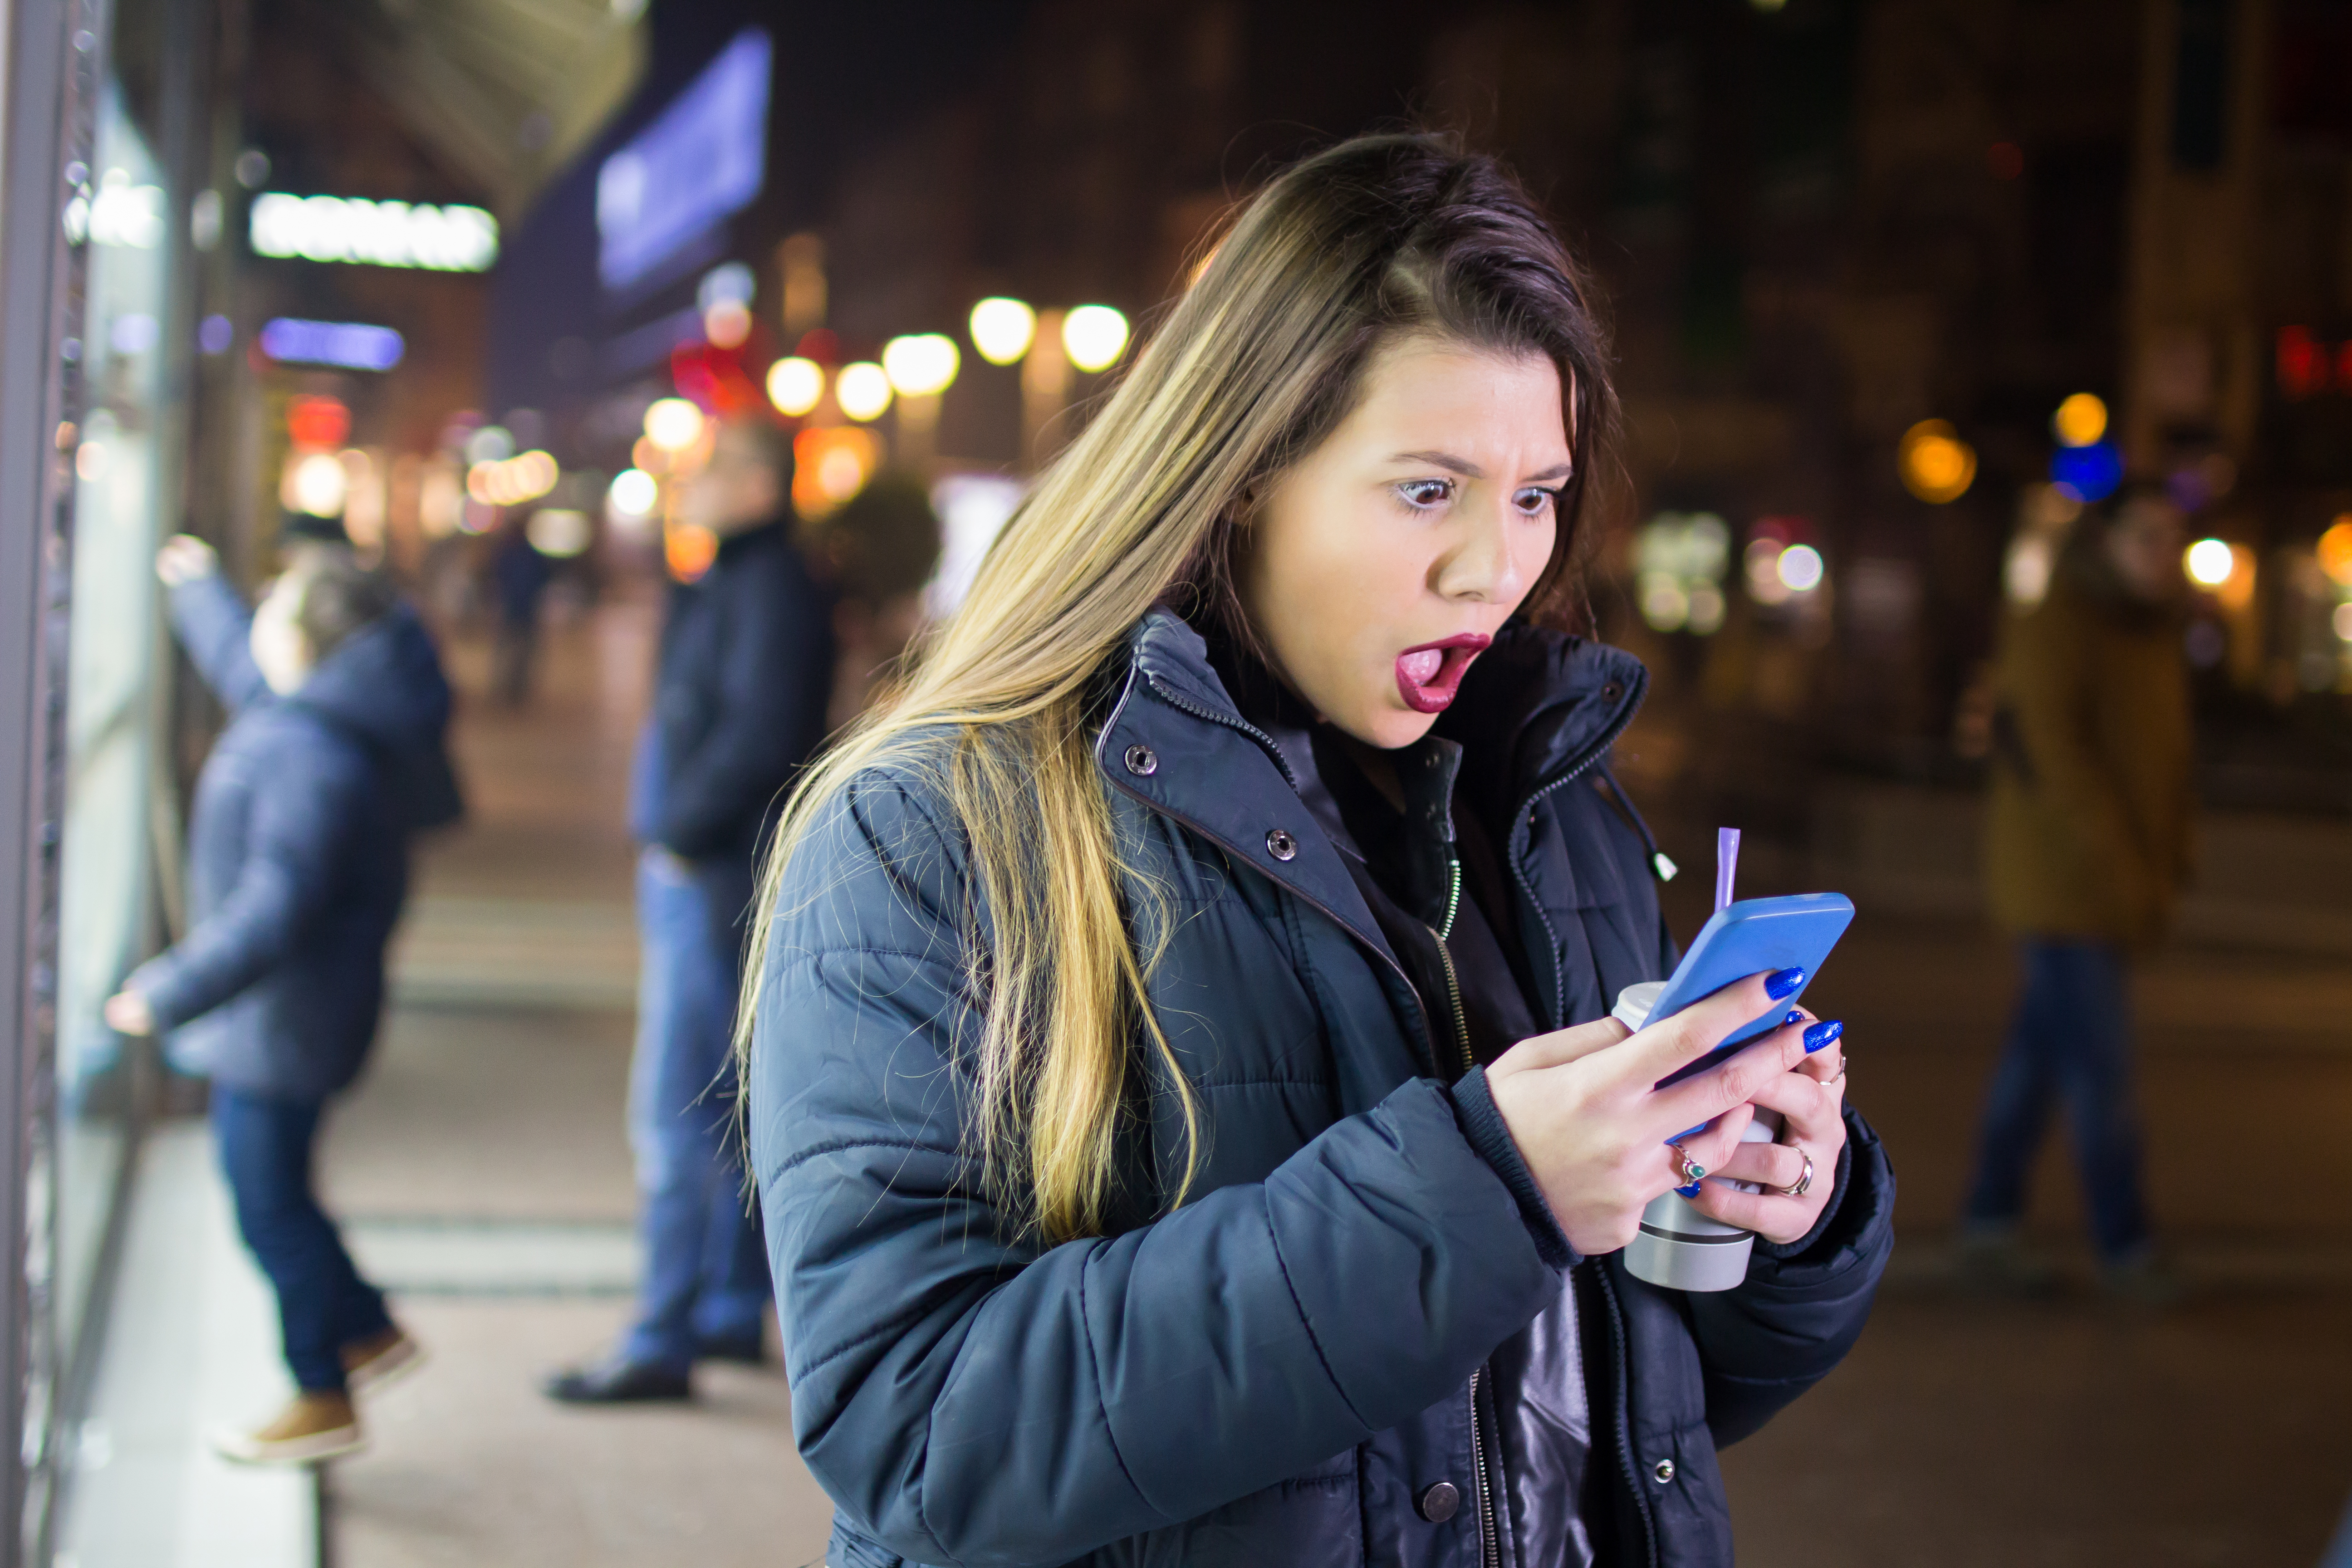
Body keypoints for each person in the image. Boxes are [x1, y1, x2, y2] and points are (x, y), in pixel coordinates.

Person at [744, 133, 1892, 1568]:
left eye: (1536, 495)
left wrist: (1786, 1208)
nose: (1495, 568)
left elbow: (1645, 1405)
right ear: (1241, 472)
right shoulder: (936, 829)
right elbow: (918, 1436)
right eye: (1429, 490)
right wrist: (1489, 1190)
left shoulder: (1556, 809)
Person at [105, 536, 449, 1463]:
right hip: (294, 1018)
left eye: (273, 606)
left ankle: (319, 1390)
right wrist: (195, 588)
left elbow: (276, 906)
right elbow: (242, 666)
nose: (257, 621)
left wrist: (169, 989)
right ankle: (367, 1327)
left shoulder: (312, 752)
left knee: (268, 1202)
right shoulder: (317, 716)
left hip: (284, 1025)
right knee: (279, 1186)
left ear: (308, 643)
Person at [546, 416, 836, 1403]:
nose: (691, 487)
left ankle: (662, 1332)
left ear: (760, 488)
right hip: (717, 863)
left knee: (679, 1104)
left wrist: (676, 828)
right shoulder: (740, 581)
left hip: (715, 868)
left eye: (711, 472)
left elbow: (757, 735)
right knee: (722, 1096)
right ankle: (721, 1309)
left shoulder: (768, 590)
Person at [1963, 483, 2191, 1300]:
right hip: (2065, 883)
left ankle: (1988, 1222)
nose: (2163, 555)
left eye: (2173, 538)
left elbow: (2163, 760)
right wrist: (2129, 867)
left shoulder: (2148, 628)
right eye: (2147, 537)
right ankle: (2126, 1244)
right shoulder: (2060, 620)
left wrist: (2170, 858)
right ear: (2106, 541)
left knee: (2041, 1060)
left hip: (2108, 879)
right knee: (2100, 1072)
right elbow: (2057, 760)